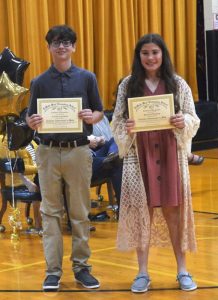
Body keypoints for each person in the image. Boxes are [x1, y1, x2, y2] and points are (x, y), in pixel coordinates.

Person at [111, 33, 200, 293]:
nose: (150, 57)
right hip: (140, 157)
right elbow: (116, 120)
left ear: (163, 55)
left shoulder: (177, 83)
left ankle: (182, 270)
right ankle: (142, 273)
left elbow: (193, 117)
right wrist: (125, 129)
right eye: (145, 53)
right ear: (139, 56)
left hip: (171, 154)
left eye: (155, 52)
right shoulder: (128, 85)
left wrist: (183, 121)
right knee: (142, 215)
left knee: (174, 214)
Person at [26, 25, 103, 292]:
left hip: (79, 150)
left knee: (80, 212)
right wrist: (32, 121)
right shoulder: (38, 82)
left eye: (67, 42)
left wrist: (91, 117)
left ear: (74, 47)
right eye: (56, 42)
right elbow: (29, 117)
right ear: (48, 47)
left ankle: (82, 268)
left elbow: (99, 112)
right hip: (47, 151)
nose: (62, 46)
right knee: (50, 213)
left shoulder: (87, 78)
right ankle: (52, 272)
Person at [0, 134, 42, 232]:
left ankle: (43, 221)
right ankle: (38, 223)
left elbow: (38, 158)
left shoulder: (31, 141)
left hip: (33, 176)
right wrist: (39, 169)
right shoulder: (7, 141)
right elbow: (13, 166)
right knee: (39, 187)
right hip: (19, 180)